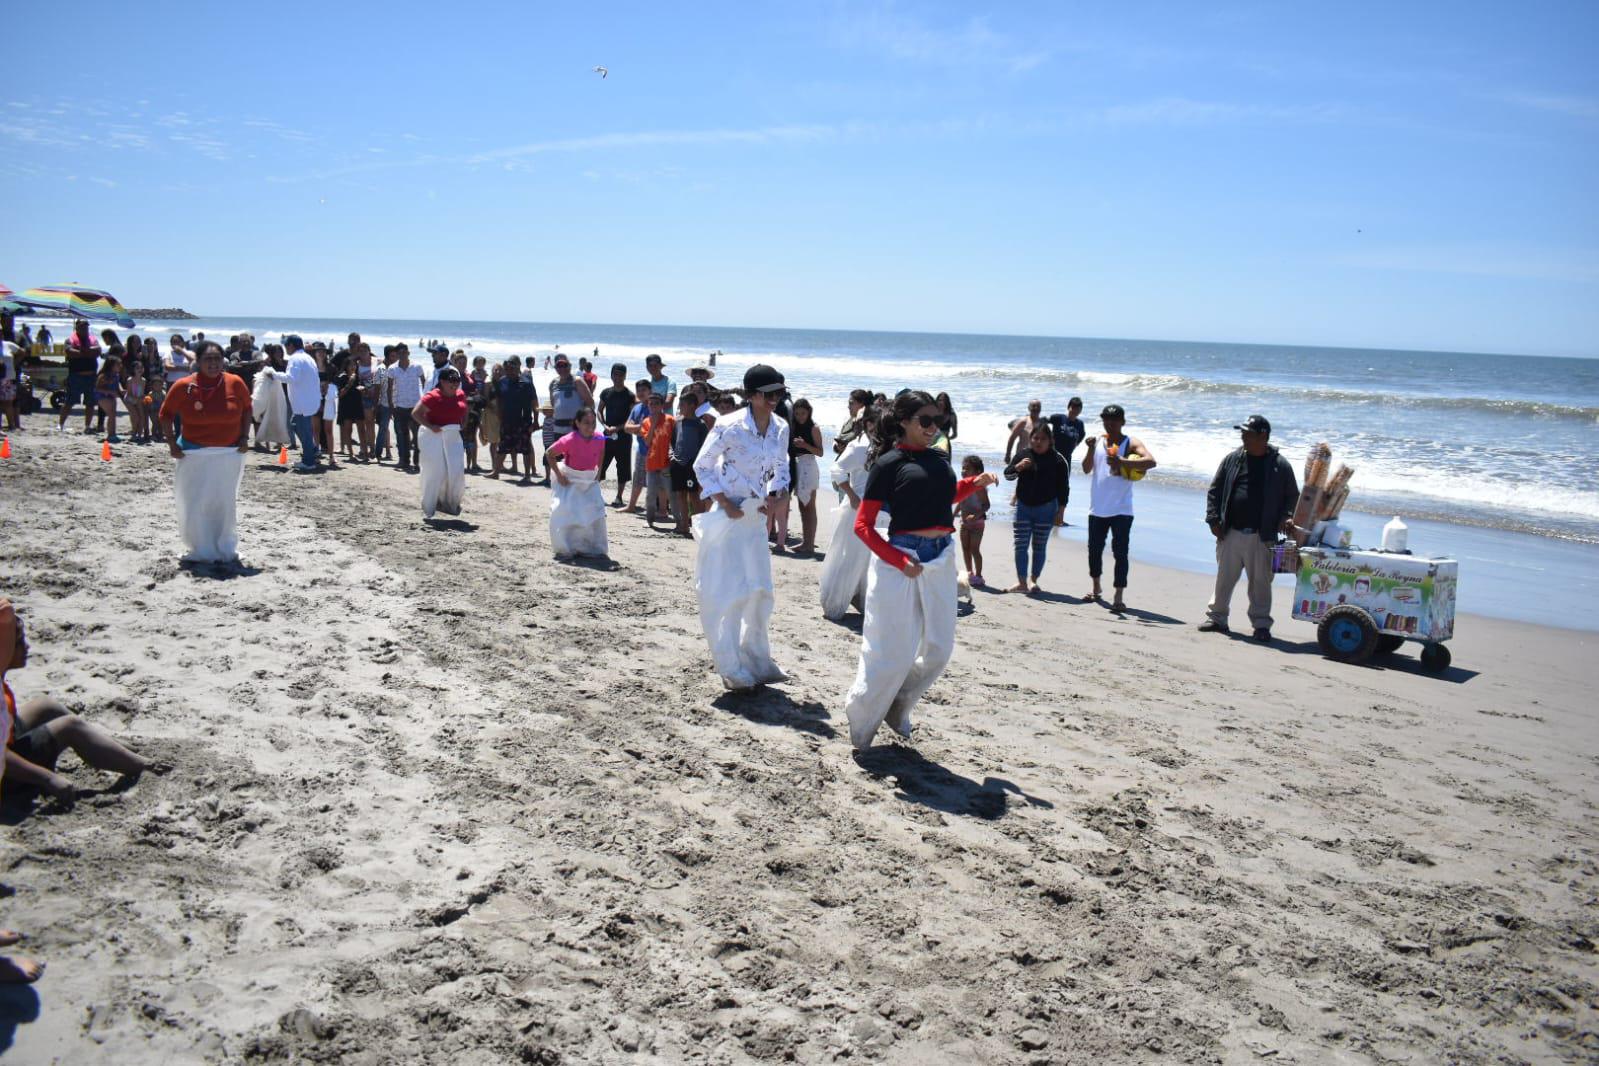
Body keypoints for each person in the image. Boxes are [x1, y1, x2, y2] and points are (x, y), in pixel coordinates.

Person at [842, 391, 999, 751]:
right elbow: (863, 525)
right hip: (902, 559)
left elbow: (941, 498)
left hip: (941, 559)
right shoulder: (887, 463)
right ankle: (862, 720)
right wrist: (898, 561)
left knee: (939, 648)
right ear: (903, 422)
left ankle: (898, 705)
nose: (934, 428)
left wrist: (973, 485)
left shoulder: (939, 459)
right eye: (925, 421)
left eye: (939, 421)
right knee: (890, 651)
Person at [691, 364, 792, 691]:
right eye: (768, 393)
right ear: (751, 395)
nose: (775, 398)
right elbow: (702, 465)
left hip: (756, 516)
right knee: (729, 591)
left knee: (760, 590)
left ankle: (758, 661)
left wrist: (777, 495)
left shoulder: (780, 427)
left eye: (779, 392)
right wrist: (724, 502)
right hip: (730, 515)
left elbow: (782, 466)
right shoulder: (728, 425)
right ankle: (732, 668)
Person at [1201, 415, 1299, 642]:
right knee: (1224, 578)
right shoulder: (1233, 459)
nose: (1243, 437)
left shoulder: (1279, 465)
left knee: (1261, 583)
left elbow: (1292, 496)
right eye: (1242, 433)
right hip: (1231, 532)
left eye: (1248, 433)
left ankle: (1261, 624)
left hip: (1262, 536)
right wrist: (1213, 519)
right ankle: (1217, 618)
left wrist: (1286, 516)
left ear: (1263, 436)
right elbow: (1214, 490)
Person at [158, 343, 253, 562]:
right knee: (196, 501)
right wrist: (172, 443)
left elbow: (247, 408)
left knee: (223, 502)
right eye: (208, 359)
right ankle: (201, 548)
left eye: (217, 358)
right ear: (197, 362)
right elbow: (166, 414)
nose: (213, 363)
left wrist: (245, 437)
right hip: (193, 453)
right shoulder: (183, 385)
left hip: (228, 453)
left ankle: (224, 546)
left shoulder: (235, 382)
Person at [1082, 404, 1156, 610]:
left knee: (1120, 552)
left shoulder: (1130, 442)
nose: (1110, 423)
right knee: (1094, 551)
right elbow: (1086, 469)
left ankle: (1118, 595)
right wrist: (1088, 448)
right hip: (1097, 508)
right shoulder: (1097, 442)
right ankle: (1096, 588)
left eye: (1114, 419)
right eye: (1106, 419)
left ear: (1123, 422)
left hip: (1122, 509)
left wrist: (1122, 461)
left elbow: (1150, 461)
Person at [819, 403, 881, 620]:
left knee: (868, 558)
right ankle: (836, 602)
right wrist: (851, 494)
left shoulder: (882, 445)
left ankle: (863, 599)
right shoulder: (859, 447)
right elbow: (836, 469)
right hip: (857, 508)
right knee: (850, 556)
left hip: (877, 508)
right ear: (870, 424)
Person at [1004, 423, 1070, 594]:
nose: (1038, 442)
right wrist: (1018, 467)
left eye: (1043, 439)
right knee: (1020, 545)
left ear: (1051, 441)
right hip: (1023, 507)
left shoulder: (1058, 460)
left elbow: (1064, 489)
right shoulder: (1023, 455)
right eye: (1035, 438)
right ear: (1030, 439)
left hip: (1047, 509)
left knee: (1039, 546)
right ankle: (1021, 583)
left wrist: (1060, 512)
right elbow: (1008, 475)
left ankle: (1033, 581)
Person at [546, 405, 610, 560]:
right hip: (571, 479)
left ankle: (591, 546)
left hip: (589, 479)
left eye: (593, 422)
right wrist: (559, 475)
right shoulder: (570, 439)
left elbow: (601, 452)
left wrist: (600, 471)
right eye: (586, 422)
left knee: (594, 511)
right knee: (565, 511)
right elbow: (549, 453)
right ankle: (566, 546)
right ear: (578, 423)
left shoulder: (599, 437)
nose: (590, 426)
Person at [412, 366, 468, 519]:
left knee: (455, 470)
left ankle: (450, 503)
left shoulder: (460, 394)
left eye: (457, 380)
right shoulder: (432, 396)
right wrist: (431, 426)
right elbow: (415, 413)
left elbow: (465, 409)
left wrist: (464, 421)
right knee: (436, 471)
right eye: (451, 381)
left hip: (453, 436)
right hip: (432, 436)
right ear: (442, 381)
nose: (455, 384)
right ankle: (430, 505)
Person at [543, 355, 594, 486]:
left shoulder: (577, 381)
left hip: (575, 431)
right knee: (560, 462)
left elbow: (590, 403)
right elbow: (554, 406)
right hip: (558, 430)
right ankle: (561, 489)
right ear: (555, 368)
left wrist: (585, 426)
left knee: (576, 464)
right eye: (559, 366)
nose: (562, 368)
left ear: (570, 366)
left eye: (565, 365)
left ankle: (578, 489)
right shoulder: (553, 384)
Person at [785, 398, 824, 553]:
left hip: (808, 464)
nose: (801, 416)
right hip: (797, 465)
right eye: (797, 413)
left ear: (809, 412)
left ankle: (809, 544)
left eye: (803, 413)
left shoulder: (814, 428)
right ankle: (806, 542)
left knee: (809, 506)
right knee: (802, 506)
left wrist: (805, 445)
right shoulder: (792, 426)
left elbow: (820, 452)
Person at [669, 392, 709, 536]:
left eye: (683, 404)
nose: (680, 407)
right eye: (680, 404)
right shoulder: (677, 421)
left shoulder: (700, 424)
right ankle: (683, 526)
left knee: (694, 496)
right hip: (678, 463)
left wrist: (700, 464)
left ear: (693, 405)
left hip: (692, 465)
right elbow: (673, 441)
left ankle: (701, 528)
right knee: (680, 494)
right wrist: (672, 455)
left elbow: (705, 446)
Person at [283, 335, 322, 471]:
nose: (285, 349)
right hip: (308, 400)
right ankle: (312, 449)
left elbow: (291, 378)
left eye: (286, 346)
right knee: (295, 424)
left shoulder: (295, 358)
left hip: (302, 402)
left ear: (291, 346)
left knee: (303, 429)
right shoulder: (308, 358)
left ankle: (308, 461)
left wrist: (273, 375)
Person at [597, 363, 635, 507]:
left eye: (620, 374)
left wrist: (617, 428)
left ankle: (619, 497)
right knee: (600, 464)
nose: (617, 377)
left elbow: (632, 418)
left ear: (625, 376)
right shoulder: (606, 392)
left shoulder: (630, 395)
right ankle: (595, 494)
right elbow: (599, 411)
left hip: (624, 435)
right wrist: (605, 425)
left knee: (623, 466)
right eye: (615, 374)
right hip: (606, 434)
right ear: (611, 375)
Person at [385, 344, 427, 473]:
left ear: (409, 352)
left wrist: (425, 402)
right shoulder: (392, 369)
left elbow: (424, 383)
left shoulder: (417, 367)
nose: (403, 354)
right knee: (402, 435)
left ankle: (417, 462)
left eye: (405, 352)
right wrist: (391, 405)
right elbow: (390, 387)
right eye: (400, 352)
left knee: (417, 436)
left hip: (415, 406)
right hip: (399, 406)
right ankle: (404, 460)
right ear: (397, 354)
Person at [1046, 396, 1087, 525]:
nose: (1074, 411)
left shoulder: (1079, 424)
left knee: (1063, 488)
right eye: (1073, 408)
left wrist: (1073, 446)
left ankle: (1058, 516)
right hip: (1052, 457)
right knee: (1048, 484)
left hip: (1066, 460)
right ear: (1068, 407)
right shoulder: (1059, 418)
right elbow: (1042, 422)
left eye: (1078, 409)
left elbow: (1081, 436)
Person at [639, 392, 675, 529]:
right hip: (652, 461)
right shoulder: (646, 422)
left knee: (669, 491)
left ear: (662, 405)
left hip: (666, 461)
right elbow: (647, 442)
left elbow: (675, 439)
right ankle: (650, 520)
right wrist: (653, 424)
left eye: (656, 404)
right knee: (651, 493)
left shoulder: (670, 420)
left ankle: (674, 517)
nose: (653, 406)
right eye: (650, 404)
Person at [59, 320, 100, 434]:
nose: (85, 330)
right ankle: (61, 424)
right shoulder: (70, 340)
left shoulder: (93, 339)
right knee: (69, 402)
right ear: (76, 328)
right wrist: (85, 353)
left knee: (90, 403)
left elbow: (97, 351)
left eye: (86, 328)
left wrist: (84, 352)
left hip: (91, 375)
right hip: (76, 376)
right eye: (82, 327)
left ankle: (87, 426)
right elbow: (69, 352)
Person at [957, 455, 990, 589]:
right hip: (964, 523)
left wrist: (976, 516)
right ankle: (970, 573)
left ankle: (979, 575)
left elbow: (986, 505)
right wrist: (953, 514)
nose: (964, 471)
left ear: (977, 472)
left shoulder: (979, 487)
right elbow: (960, 501)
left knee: (974, 549)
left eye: (967, 469)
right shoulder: (963, 485)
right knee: (965, 548)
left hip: (977, 524)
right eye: (963, 468)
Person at [251, 345, 293, 451]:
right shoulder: (268, 363)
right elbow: (261, 375)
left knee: (283, 417)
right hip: (272, 394)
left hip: (286, 392)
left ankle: (281, 442)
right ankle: (269, 443)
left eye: (280, 351)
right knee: (270, 417)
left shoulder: (286, 363)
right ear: (272, 353)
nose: (278, 353)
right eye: (276, 352)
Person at [622, 379, 653, 513]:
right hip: (641, 449)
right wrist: (641, 427)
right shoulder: (637, 408)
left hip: (655, 450)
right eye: (638, 390)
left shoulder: (655, 406)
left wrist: (640, 429)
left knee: (655, 481)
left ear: (650, 391)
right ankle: (631, 506)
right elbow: (626, 427)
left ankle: (656, 509)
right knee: (638, 479)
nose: (640, 393)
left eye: (643, 390)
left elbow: (655, 428)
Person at [335, 354, 364, 462]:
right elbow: (340, 394)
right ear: (346, 366)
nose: (353, 367)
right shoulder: (342, 377)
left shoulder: (357, 377)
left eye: (354, 365)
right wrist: (349, 383)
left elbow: (361, 391)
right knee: (348, 430)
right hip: (346, 405)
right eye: (351, 365)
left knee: (361, 429)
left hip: (357, 405)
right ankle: (351, 454)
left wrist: (364, 390)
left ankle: (365, 453)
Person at [833, 389, 875, 457]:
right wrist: (837, 448)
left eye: (851, 403)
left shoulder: (870, 425)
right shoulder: (847, 420)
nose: (848, 406)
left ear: (862, 405)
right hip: (844, 460)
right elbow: (837, 439)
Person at [1005, 398, 1045, 465]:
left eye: (1038, 406)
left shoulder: (1042, 423)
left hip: (1037, 458)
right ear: (1029, 408)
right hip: (1022, 458)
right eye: (1033, 406)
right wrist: (1007, 455)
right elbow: (1012, 438)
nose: (1036, 408)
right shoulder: (1023, 422)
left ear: (1040, 409)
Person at [94, 354, 123, 443]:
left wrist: (121, 391)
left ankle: (112, 433)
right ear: (111, 366)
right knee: (111, 414)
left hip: (111, 396)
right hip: (103, 397)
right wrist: (110, 392)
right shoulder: (104, 376)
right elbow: (98, 388)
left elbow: (117, 386)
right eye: (117, 364)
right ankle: (111, 434)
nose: (120, 366)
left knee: (113, 415)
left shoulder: (116, 375)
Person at [123, 356, 149, 443]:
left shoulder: (143, 380)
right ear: (133, 369)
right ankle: (133, 434)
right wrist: (136, 399)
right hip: (129, 400)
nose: (140, 369)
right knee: (135, 417)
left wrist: (141, 399)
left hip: (138, 399)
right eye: (138, 368)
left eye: (142, 367)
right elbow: (129, 393)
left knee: (142, 417)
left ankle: (139, 435)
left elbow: (142, 393)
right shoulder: (130, 380)